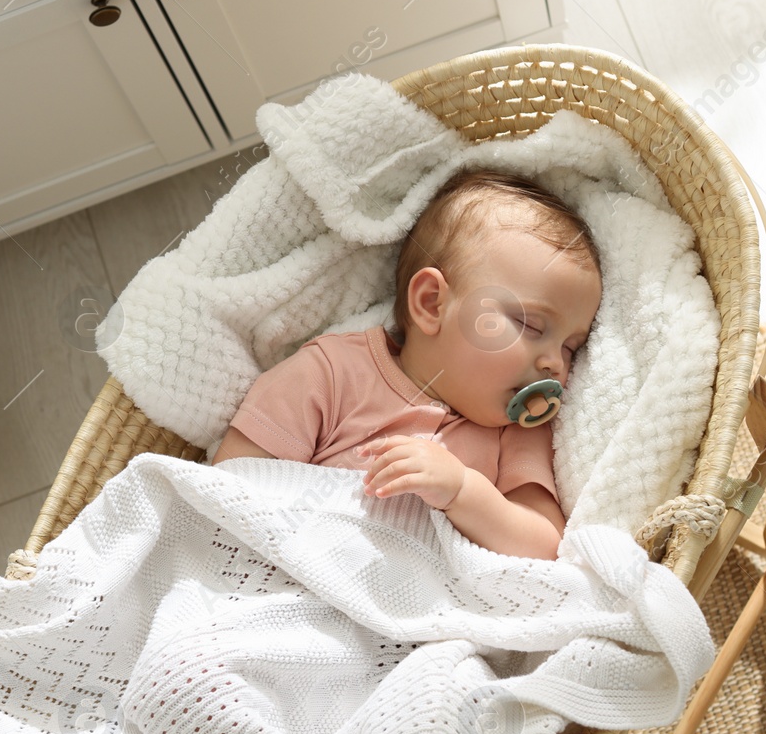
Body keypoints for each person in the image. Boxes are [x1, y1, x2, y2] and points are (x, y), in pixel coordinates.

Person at [211, 167, 602, 560]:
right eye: (530, 325)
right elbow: (228, 489)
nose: (556, 364)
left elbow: (544, 546)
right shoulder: (330, 373)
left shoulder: (515, 432)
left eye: (571, 347)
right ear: (432, 303)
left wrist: (464, 492)